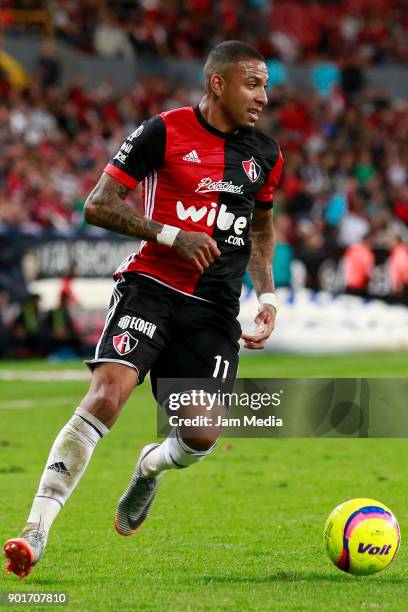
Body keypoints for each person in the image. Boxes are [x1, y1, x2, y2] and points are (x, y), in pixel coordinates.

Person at [4, 40, 283, 579]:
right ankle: (35, 531)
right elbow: (97, 205)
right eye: (253, 84)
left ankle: (149, 466)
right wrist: (169, 233)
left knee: (201, 434)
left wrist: (267, 295)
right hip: (151, 286)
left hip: (214, 308)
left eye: (266, 85)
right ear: (217, 84)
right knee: (108, 393)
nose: (264, 97)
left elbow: (263, 226)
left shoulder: (265, 154)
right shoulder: (163, 130)